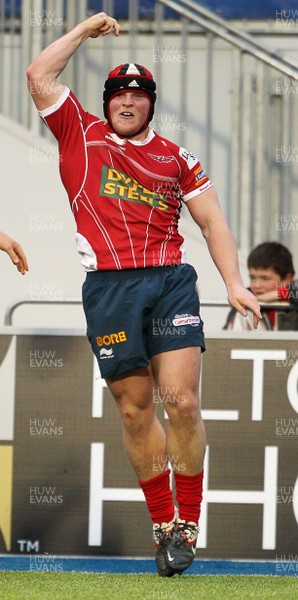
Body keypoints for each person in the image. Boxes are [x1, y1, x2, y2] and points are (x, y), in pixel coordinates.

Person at [26, 12, 261, 576]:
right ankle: (163, 526)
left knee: (180, 400)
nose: (127, 103)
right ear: (106, 102)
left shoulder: (178, 159)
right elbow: (38, 74)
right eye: (118, 95)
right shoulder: (78, 133)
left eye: (138, 96)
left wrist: (233, 282)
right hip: (108, 289)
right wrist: (83, 31)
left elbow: (214, 223)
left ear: (151, 105)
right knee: (134, 411)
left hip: (168, 281)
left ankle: (189, 524)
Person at [224, 241, 298, 330]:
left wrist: (278, 295)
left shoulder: (294, 298)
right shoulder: (243, 305)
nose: (257, 285)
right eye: (252, 278)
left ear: (287, 279)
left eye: (265, 279)